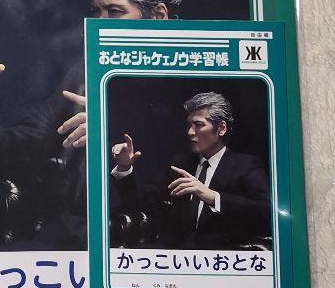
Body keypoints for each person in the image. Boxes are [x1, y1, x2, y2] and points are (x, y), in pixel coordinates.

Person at [0, 0, 181, 244]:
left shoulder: (199, 83)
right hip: (69, 241)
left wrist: (107, 137)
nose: (97, 24)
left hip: (151, 245)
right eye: (96, 12)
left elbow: (183, 176)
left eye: (114, 12)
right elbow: (8, 155)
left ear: (158, 16)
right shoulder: (82, 75)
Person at [110, 91, 271, 249]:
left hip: (221, 256)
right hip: (174, 254)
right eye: (188, 125)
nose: (190, 132)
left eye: (198, 125)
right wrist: (124, 167)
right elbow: (139, 202)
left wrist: (213, 197)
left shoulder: (245, 166)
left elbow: (266, 211)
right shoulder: (180, 164)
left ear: (221, 128)